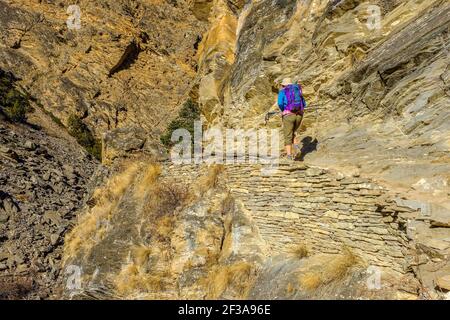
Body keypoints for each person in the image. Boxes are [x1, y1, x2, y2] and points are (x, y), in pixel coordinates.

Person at [277, 78, 306, 160]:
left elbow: (280, 103)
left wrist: (284, 110)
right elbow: (304, 103)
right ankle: (296, 147)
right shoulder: (297, 90)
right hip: (299, 115)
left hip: (288, 116)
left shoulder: (282, 92)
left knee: (288, 136)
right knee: (293, 132)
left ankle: (289, 156)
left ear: (283, 85)